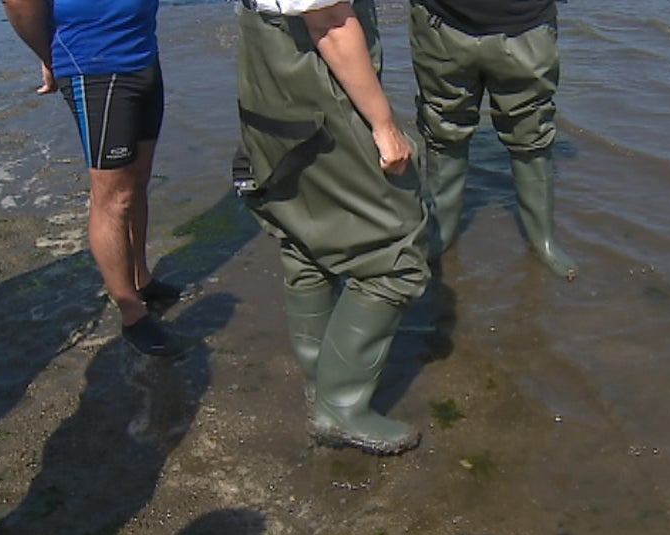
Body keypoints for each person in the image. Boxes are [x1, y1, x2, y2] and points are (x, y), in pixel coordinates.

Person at [234, 0, 429, 455]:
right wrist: (385, 126)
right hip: (312, 76)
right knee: (395, 254)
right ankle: (340, 407)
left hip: (264, 71)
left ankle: (321, 379)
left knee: (301, 228)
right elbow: (332, 23)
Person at [2, 0, 185, 356]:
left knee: (137, 181)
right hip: (94, 65)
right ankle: (132, 314)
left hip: (143, 52)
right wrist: (51, 55)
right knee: (114, 197)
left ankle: (141, 279)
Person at [408, 0, 578, 280]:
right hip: (441, 23)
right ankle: (440, 232)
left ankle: (542, 239)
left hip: (528, 27)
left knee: (531, 134)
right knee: (443, 129)